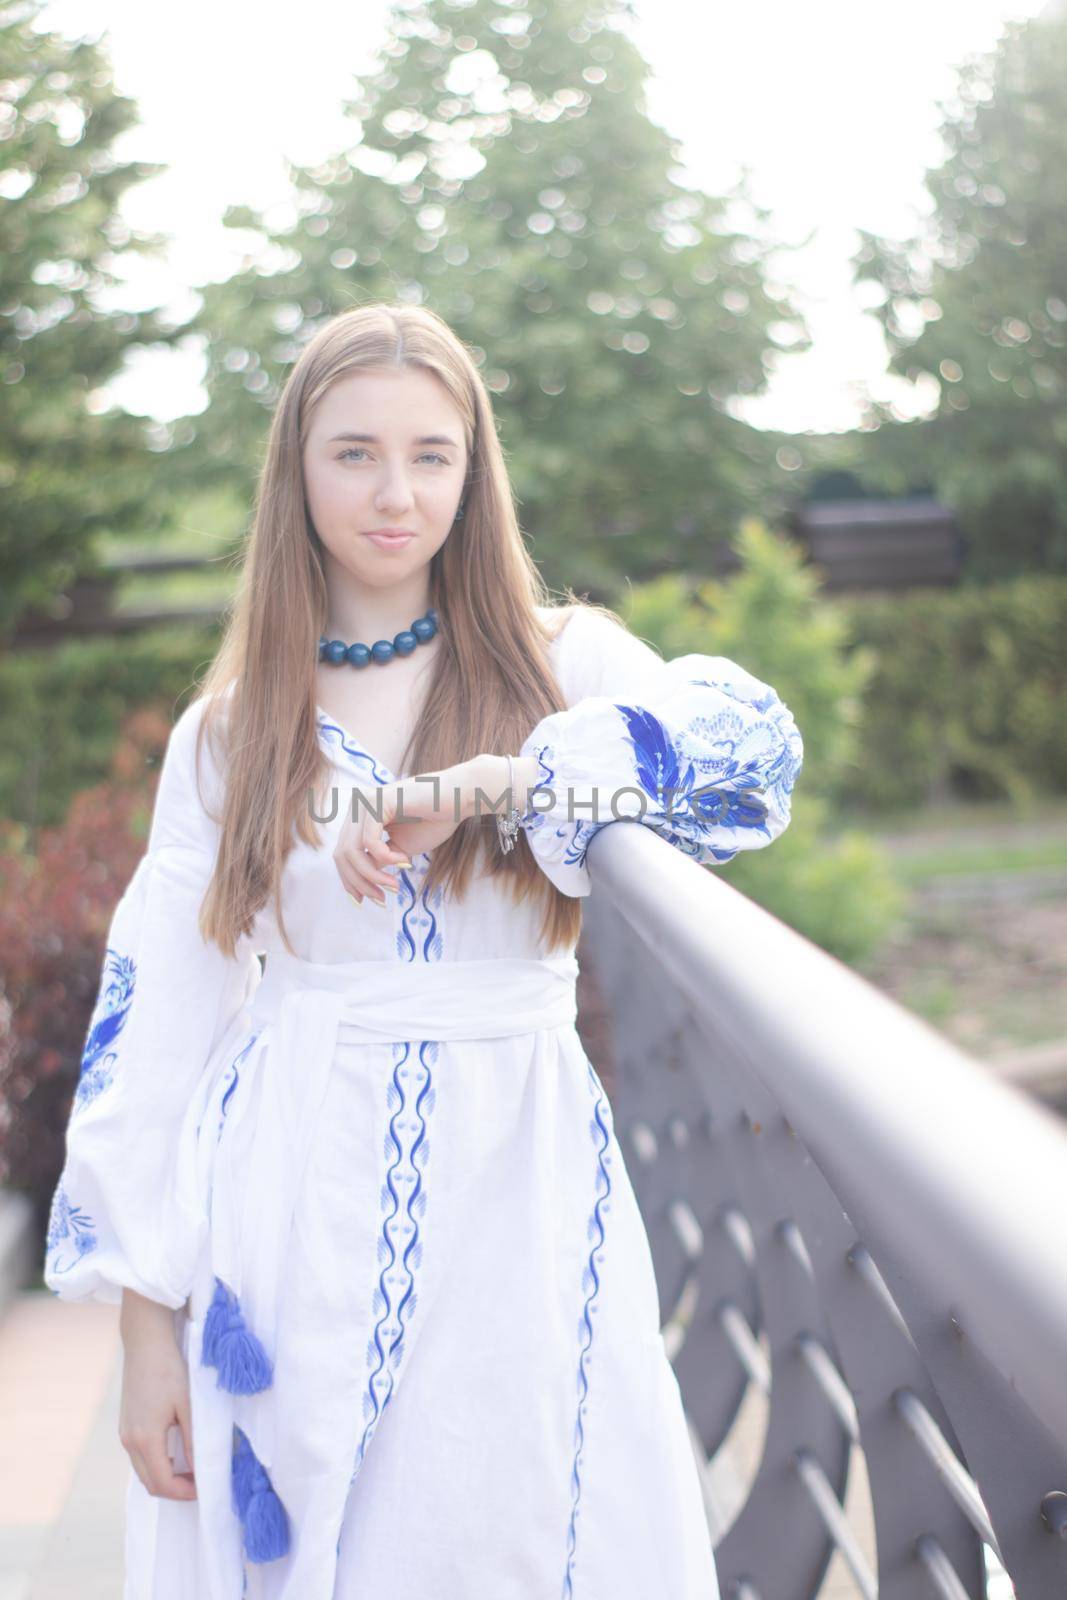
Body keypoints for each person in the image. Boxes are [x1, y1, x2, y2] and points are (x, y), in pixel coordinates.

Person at [43, 301, 803, 1600]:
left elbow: (755, 765)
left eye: (430, 454)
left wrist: (498, 780)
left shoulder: (563, 661)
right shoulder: (231, 736)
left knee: (504, 1534)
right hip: (281, 1197)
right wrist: (147, 1329)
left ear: (474, 467)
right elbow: (157, 1027)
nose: (394, 492)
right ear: (297, 468)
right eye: (353, 453)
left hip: (516, 1180)